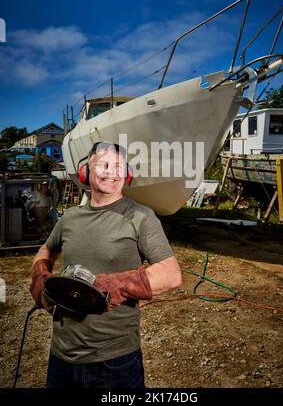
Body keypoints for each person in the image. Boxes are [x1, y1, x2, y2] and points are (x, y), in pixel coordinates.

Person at [30, 141, 182, 388]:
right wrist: (40, 280)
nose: (112, 172)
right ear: (85, 172)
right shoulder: (69, 218)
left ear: (127, 174)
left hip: (115, 363)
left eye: (119, 166)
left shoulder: (141, 217)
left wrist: (112, 285)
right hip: (61, 357)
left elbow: (171, 274)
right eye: (104, 165)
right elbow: (47, 249)